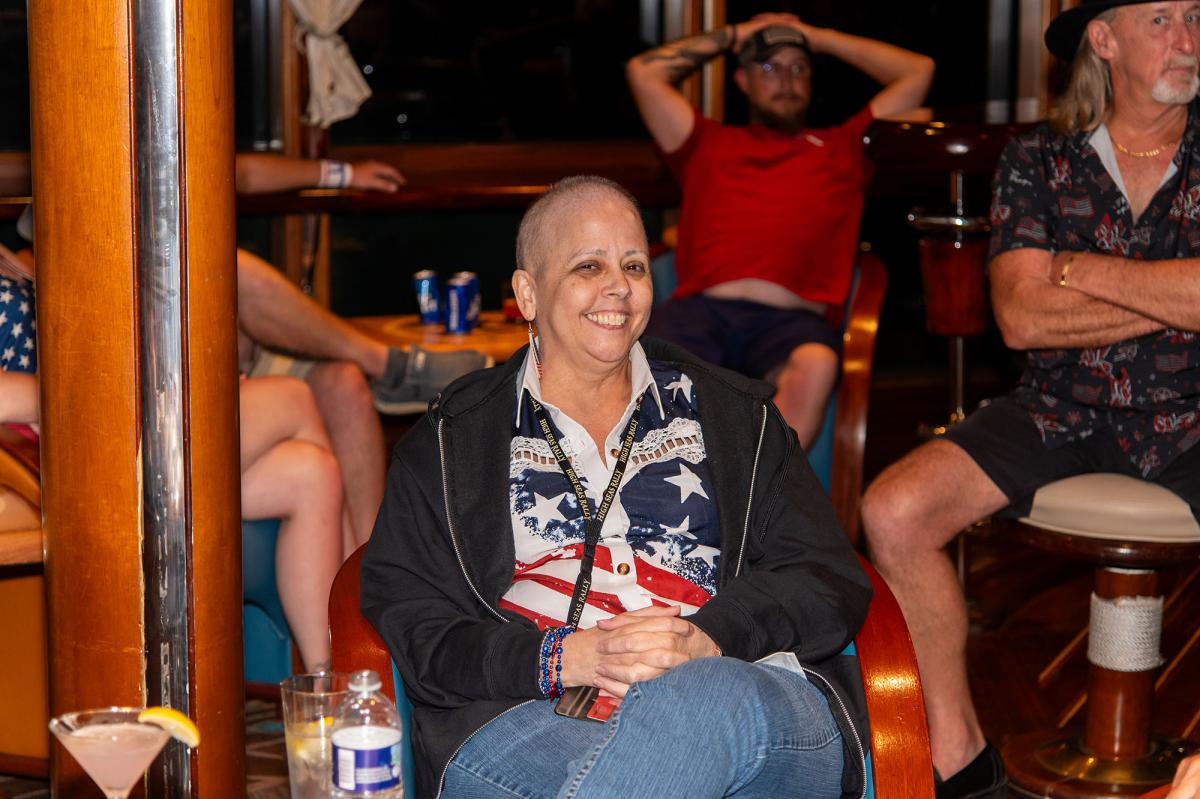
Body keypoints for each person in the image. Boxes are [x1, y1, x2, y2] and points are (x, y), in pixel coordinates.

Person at [360, 175, 872, 798]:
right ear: (527, 293)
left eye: (634, 265)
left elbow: (826, 577)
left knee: (699, 696)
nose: (619, 287)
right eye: (588, 266)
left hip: (741, 698)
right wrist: (562, 658)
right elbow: (416, 620)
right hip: (530, 716)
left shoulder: (735, 418)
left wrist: (710, 637)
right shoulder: (451, 442)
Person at [860, 3, 1200, 798]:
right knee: (893, 510)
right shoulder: (1037, 158)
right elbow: (1019, 317)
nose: (1187, 40)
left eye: (1195, 16)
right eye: (1161, 20)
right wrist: (1172, 293)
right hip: (1059, 406)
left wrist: (1075, 269)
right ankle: (962, 764)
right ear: (1104, 40)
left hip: (1192, 411)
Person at [625, 13, 933, 445]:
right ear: (742, 81)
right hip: (702, 314)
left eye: (798, 67)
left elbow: (919, 71)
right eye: (769, 67)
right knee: (646, 362)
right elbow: (643, 72)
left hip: (791, 325)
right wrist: (733, 34)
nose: (786, 79)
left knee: (817, 363)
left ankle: (762, 487)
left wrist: (819, 36)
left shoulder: (842, 147)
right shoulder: (705, 142)